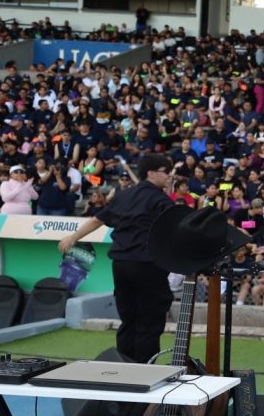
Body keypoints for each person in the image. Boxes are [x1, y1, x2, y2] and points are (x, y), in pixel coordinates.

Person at [57, 154, 175, 363]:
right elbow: (178, 228)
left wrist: (73, 237)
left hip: (121, 265)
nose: (170, 176)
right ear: (151, 173)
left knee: (128, 320)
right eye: (166, 172)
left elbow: (97, 220)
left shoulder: (124, 195)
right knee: (149, 322)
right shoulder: (160, 200)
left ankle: (124, 367)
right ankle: (144, 371)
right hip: (148, 266)